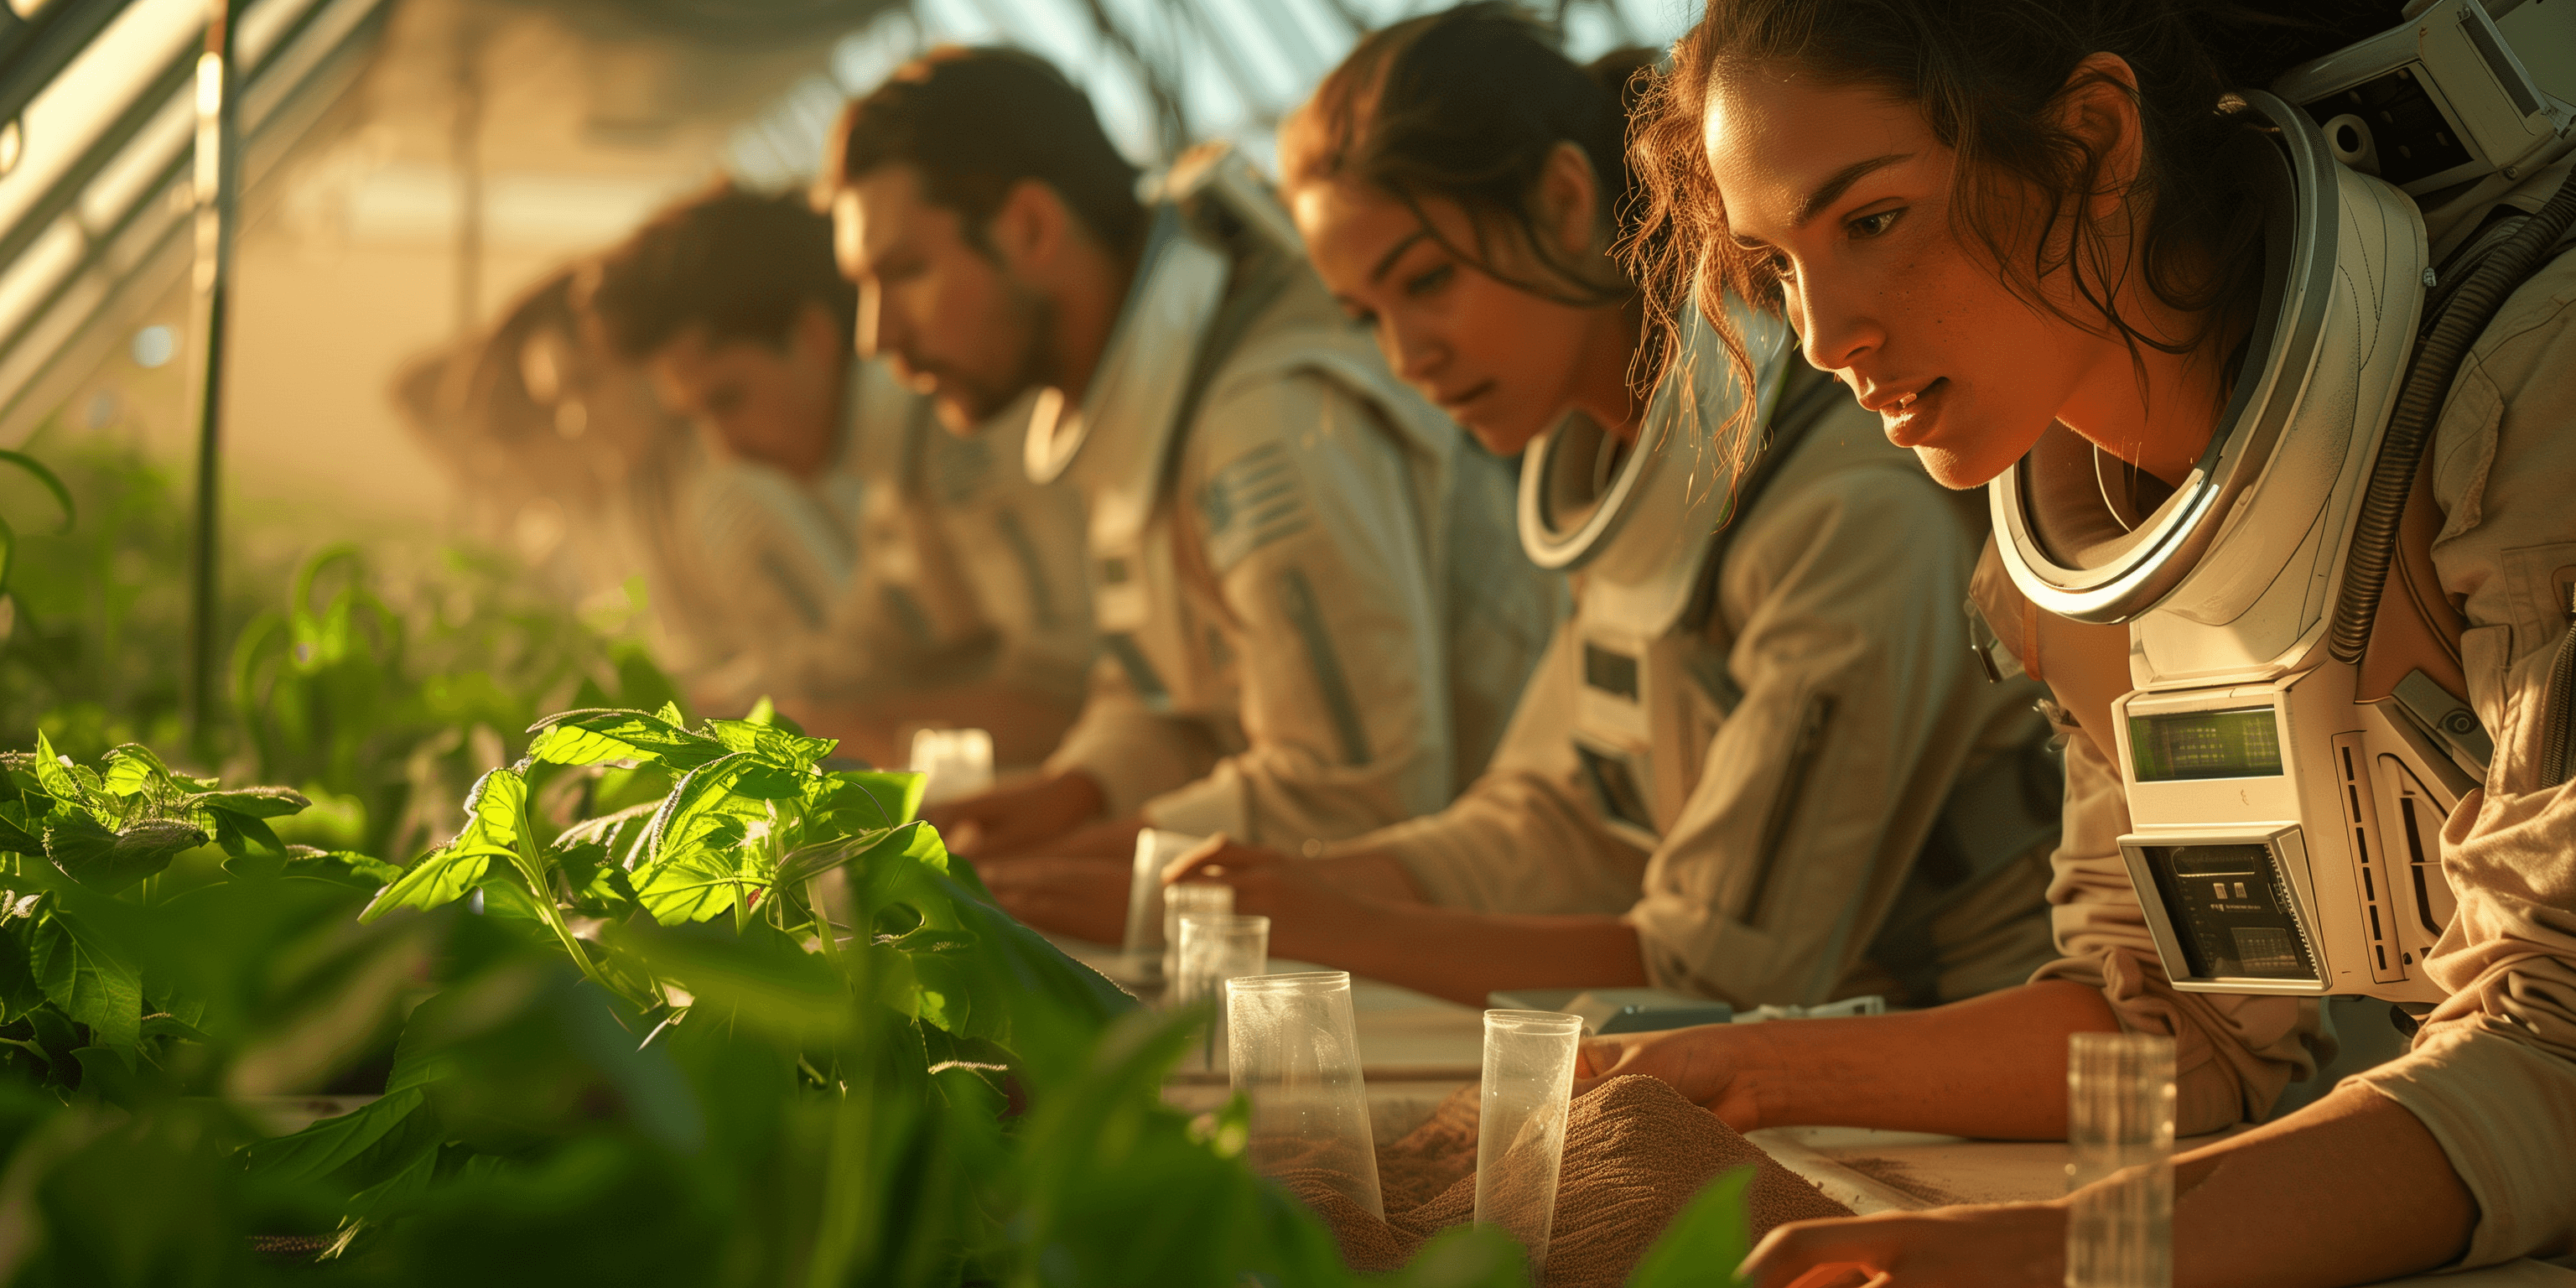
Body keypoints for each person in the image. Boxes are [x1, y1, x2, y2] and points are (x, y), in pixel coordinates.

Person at [1576, 1, 2576, 1284]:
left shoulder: (2531, 377)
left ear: (2095, 144)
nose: (1822, 337)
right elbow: (2170, 1029)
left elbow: (2555, 1044)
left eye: (1872, 221)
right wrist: (1751, 1065)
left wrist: (2067, 1251)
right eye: (1777, 267)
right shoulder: (2067, 548)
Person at [1078, 6, 2064, 1015]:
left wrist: (1336, 921)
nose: (1406, 356)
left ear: (1561, 204)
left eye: (1427, 282)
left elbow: (1720, 968)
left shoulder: (1843, 507)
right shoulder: (1622, 466)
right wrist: (1300, 884)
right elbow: (1558, 818)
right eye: (1368, 316)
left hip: (1960, 1046)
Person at [820, 48, 1561, 867]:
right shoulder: (1140, 390)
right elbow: (1164, 690)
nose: (876, 336)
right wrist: (1078, 791)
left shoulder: (1264, 419)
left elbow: (1356, 791)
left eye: (906, 272)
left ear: (1031, 226)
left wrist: (1097, 855)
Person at [582, 181, 1095, 766]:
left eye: (728, 400)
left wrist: (848, 728)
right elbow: (867, 648)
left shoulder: (959, 438)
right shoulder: (898, 469)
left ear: (812, 337)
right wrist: (712, 706)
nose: (724, 451)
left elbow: (1066, 696)